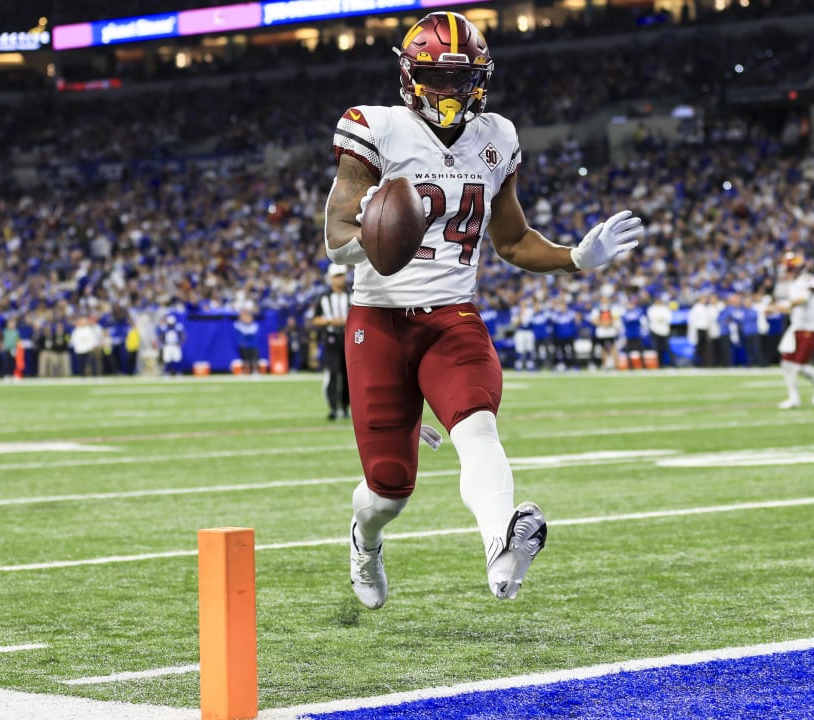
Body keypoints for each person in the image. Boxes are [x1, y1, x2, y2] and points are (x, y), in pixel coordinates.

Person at [323, 11, 642, 608]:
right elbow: (336, 238)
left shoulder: (496, 137)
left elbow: (514, 240)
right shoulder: (376, 128)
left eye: (460, 78)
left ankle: (502, 547)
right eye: (436, 78)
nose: (449, 91)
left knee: (477, 425)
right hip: (380, 318)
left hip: (451, 317)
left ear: (481, 78)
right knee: (389, 489)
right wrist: (371, 228)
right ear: (410, 75)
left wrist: (576, 256)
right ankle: (364, 543)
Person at [774, 252, 814, 409]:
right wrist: (772, 309)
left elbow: (803, 299)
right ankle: (794, 398)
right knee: (786, 363)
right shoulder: (793, 285)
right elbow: (792, 307)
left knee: (798, 366)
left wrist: (786, 305)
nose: (789, 273)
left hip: (811, 327)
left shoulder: (809, 280)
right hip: (797, 327)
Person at [311, 264, 351, 419]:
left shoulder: (352, 295)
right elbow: (315, 319)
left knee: (348, 375)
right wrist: (330, 321)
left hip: (347, 339)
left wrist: (345, 321)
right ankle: (334, 408)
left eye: (341, 275)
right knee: (333, 373)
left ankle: (345, 407)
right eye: (336, 276)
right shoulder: (323, 298)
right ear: (330, 278)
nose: (339, 279)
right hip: (331, 339)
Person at [234, 308, 261, 375]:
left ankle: (255, 371)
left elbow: (250, 333)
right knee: (244, 359)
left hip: (253, 345)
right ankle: (245, 371)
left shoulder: (254, 326)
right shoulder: (238, 325)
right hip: (244, 345)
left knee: (254, 359)